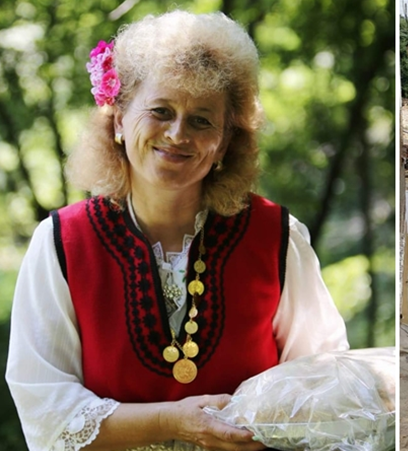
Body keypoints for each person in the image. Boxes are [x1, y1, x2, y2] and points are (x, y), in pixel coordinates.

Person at [5, 10, 349, 451]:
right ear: (119, 121)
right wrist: (173, 421)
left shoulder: (279, 236)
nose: (178, 134)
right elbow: (46, 415)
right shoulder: (60, 243)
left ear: (224, 142)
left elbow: (325, 383)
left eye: (202, 120)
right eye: (160, 111)